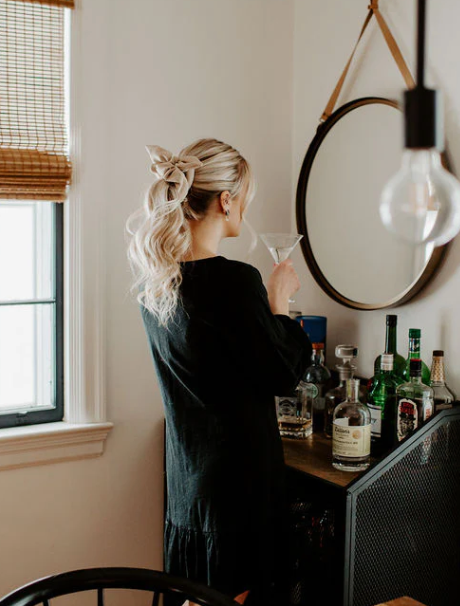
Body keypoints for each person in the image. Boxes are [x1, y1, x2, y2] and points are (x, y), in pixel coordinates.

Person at [127, 139, 312, 605]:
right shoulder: (234, 281)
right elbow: (282, 373)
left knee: (196, 597)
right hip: (238, 487)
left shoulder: (158, 284)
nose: (245, 208)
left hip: (188, 481)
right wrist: (281, 305)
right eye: (243, 196)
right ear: (226, 200)